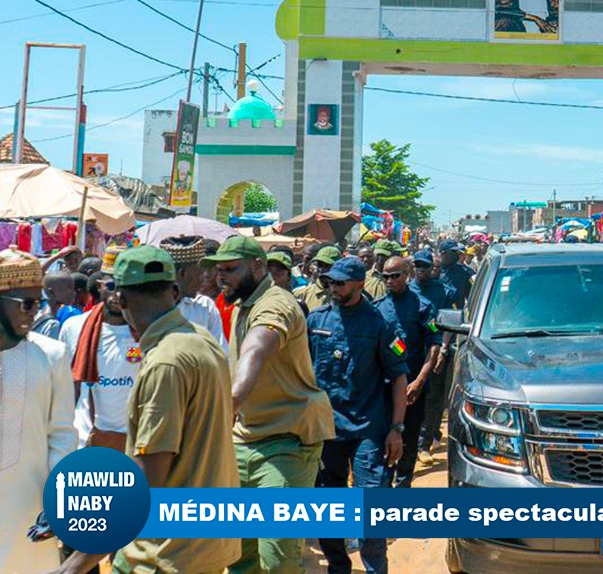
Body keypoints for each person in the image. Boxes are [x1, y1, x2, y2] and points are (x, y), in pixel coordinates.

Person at [55, 246, 242, 574]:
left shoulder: (165, 363)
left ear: (121, 300)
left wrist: (74, 565)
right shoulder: (201, 341)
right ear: (173, 291)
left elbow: (147, 479)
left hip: (167, 553)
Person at [202, 236, 335, 574]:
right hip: (243, 439)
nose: (222, 278)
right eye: (219, 271)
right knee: (238, 554)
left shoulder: (277, 304)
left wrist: (227, 404)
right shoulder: (243, 304)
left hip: (286, 445)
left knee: (278, 559)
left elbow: (256, 349)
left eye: (230, 270)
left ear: (258, 267)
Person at [309, 257, 408, 574]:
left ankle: (375, 568)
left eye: (340, 282)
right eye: (331, 282)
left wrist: (397, 429)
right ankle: (338, 567)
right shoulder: (316, 321)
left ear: (360, 284)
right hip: (327, 430)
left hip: (368, 428)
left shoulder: (380, 324)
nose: (333, 287)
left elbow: (399, 377)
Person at [0, 248, 75, 574]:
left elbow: (61, 434)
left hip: (30, 506)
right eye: (26, 304)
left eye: (39, 303)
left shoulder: (52, 355)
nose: (36, 313)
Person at [59, 259, 141, 451]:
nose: (117, 295)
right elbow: (66, 388)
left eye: (125, 287)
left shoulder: (148, 330)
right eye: (111, 286)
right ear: (100, 286)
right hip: (85, 440)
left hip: (135, 443)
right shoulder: (74, 327)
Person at [375, 255, 440, 487]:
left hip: (413, 388)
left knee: (409, 440)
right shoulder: (377, 308)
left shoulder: (423, 307)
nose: (390, 281)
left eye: (395, 276)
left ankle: (404, 486)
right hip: (383, 388)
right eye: (386, 277)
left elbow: (435, 343)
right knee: (382, 442)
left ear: (407, 274)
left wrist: (421, 380)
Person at [413, 249, 452, 466]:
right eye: (417, 266)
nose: (421, 270)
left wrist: (443, 349)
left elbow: (447, 324)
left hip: (436, 351)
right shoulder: (407, 290)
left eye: (425, 266)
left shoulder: (443, 292)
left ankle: (423, 444)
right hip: (412, 354)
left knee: (433, 399)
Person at [160, 236, 227, 351]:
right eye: (199, 273)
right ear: (182, 274)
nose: (203, 278)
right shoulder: (150, 309)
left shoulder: (205, 307)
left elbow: (221, 354)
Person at [297, 244, 342, 314]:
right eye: (320, 265)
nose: (322, 269)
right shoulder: (301, 294)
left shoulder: (344, 296)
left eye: (327, 266)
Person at [440, 239, 474, 311]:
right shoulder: (433, 271)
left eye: (456, 252)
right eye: (452, 252)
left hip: (455, 317)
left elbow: (471, 298)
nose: (455, 255)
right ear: (443, 253)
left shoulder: (463, 273)